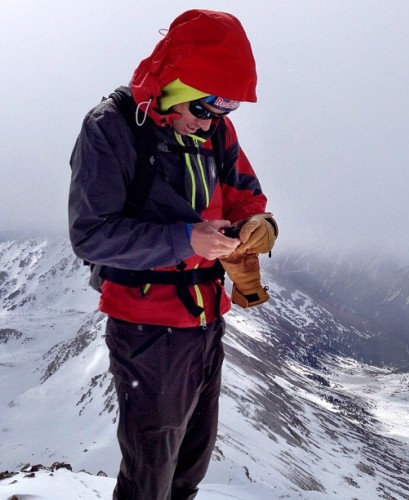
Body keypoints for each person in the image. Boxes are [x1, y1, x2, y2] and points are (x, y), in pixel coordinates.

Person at [68, 9, 278, 500]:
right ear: (174, 85)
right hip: (147, 329)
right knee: (150, 477)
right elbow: (91, 235)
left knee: (188, 467)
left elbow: (246, 192)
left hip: (207, 320)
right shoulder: (111, 128)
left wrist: (258, 224)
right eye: (205, 108)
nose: (214, 121)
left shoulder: (215, 130)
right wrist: (187, 240)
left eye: (228, 109)